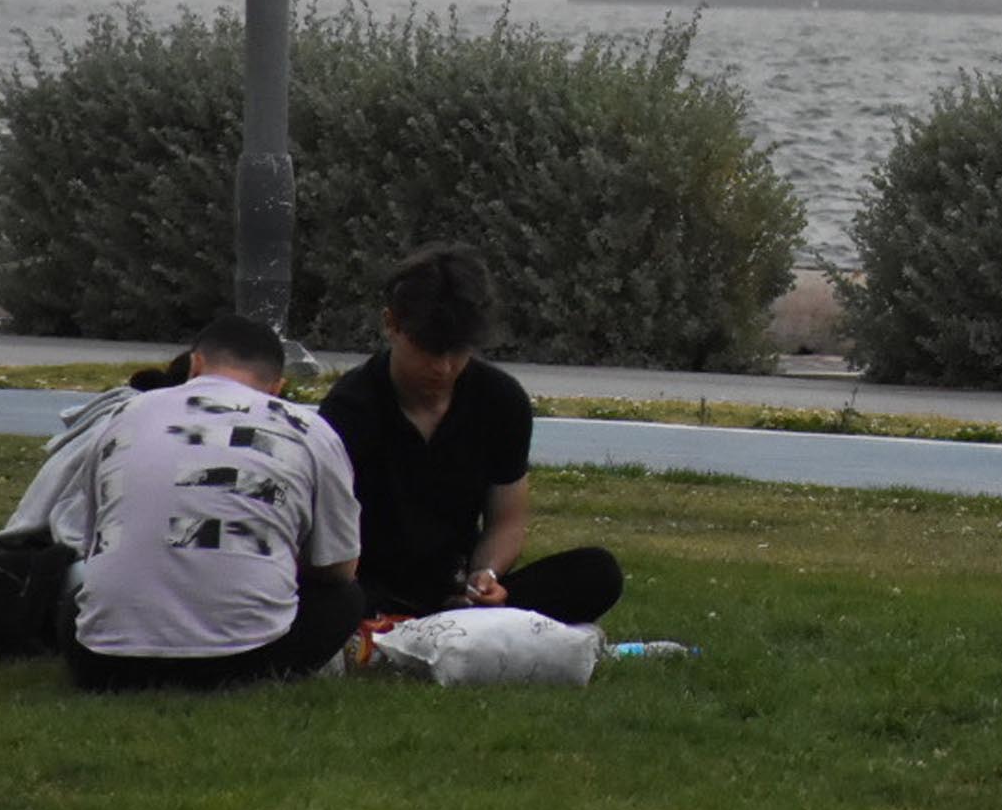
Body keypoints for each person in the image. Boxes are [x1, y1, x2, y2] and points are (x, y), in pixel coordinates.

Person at [316, 244, 624, 623]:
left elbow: (507, 520)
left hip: (459, 587)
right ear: (392, 325)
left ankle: (465, 617)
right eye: (428, 350)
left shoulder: (501, 400)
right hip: (368, 584)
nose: (443, 368)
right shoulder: (349, 408)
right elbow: (325, 534)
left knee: (597, 572)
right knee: (325, 598)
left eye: (457, 351)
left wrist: (488, 575)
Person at [65, 312, 363, 691]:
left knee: (79, 589)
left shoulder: (124, 415)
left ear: (196, 363)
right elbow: (339, 568)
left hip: (103, 663)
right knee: (346, 599)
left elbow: (91, 543)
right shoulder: (308, 429)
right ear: (278, 387)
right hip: (246, 659)